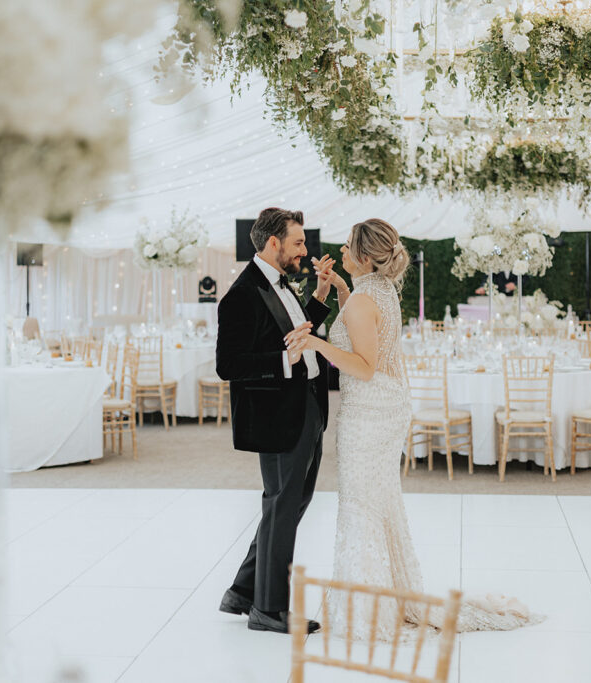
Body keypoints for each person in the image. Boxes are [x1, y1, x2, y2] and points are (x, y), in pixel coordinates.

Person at [289, 218, 541, 640]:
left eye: (349, 247)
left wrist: (315, 343)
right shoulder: (379, 290)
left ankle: (367, 610)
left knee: (360, 504)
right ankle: (381, 597)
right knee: (377, 501)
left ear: (366, 257)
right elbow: (363, 326)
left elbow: (364, 367)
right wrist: (339, 288)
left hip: (368, 410)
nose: (343, 252)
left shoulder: (363, 301)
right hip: (387, 406)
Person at [214, 207, 336, 634]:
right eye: (299, 242)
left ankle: (244, 591)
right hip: (279, 415)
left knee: (290, 503)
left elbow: (295, 332)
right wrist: (285, 361)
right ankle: (269, 609)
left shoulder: (280, 285)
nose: (305, 249)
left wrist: (319, 298)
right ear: (273, 244)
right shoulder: (241, 295)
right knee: (283, 504)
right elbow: (228, 364)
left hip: (305, 407)